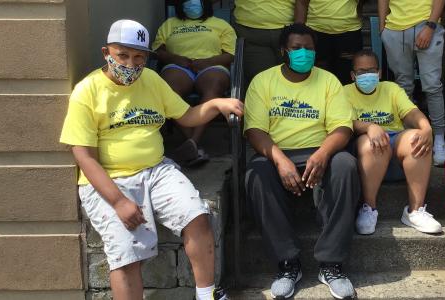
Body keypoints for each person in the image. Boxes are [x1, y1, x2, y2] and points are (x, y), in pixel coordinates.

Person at [59, 20, 243, 300]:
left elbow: (187, 116)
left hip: (156, 170)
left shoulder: (152, 80)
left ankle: (207, 296)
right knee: (126, 254)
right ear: (106, 52)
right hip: (110, 179)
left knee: (198, 217)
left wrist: (216, 104)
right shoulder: (88, 91)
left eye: (139, 57)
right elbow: (83, 155)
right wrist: (119, 201)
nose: (131, 64)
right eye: (122, 55)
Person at [244, 23, 358, 300]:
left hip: (318, 150)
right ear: (284, 50)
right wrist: (280, 160)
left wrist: (322, 154)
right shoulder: (263, 81)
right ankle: (287, 264)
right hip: (277, 152)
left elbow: (342, 127)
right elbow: (255, 130)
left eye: (309, 48)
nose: (303, 53)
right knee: (255, 173)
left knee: (346, 165)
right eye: (296, 48)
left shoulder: (329, 80)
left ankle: (331, 264)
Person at [346, 50, 442, 235]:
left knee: (417, 139)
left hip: (396, 142)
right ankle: (369, 209)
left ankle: (415, 212)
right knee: (373, 142)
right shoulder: (344, 92)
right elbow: (342, 122)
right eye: (361, 72)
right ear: (352, 75)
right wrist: (369, 126)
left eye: (371, 70)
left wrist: (426, 128)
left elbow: (411, 112)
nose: (367, 75)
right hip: (368, 148)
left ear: (379, 73)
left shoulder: (391, 89)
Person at [153, 0, 237, 166]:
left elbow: (231, 54)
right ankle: (193, 143)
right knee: (168, 90)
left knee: (213, 87)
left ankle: (192, 143)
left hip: (211, 66)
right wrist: (175, 58)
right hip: (179, 66)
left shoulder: (220, 24)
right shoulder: (169, 24)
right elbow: (158, 51)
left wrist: (209, 62)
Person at [378, 0, 445, 166]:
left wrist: (430, 26)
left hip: (425, 23)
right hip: (394, 28)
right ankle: (408, 136)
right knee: (403, 87)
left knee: (432, 85)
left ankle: (438, 139)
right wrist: (382, 28)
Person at [233, 0, 308, 84]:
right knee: (260, 81)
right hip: (252, 32)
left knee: (295, 77)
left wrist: (298, 31)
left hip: (288, 31)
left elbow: (302, 2)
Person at [304, 0, 363, 84]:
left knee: (347, 76)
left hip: (349, 31)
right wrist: (299, 31)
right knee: (317, 77)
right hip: (315, 30)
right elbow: (301, 3)